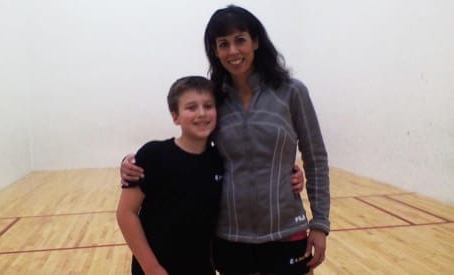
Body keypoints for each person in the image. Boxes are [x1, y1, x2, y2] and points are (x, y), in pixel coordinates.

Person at [121, 4, 330, 275]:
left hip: (287, 231)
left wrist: (320, 223)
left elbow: (316, 158)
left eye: (240, 40)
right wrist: (133, 165)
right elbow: (193, 152)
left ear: (255, 41)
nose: (233, 51)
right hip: (231, 238)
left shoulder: (292, 92)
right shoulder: (216, 99)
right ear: (215, 51)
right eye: (223, 44)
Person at [117, 76, 223, 275]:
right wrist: (152, 268)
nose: (202, 113)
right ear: (175, 117)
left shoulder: (221, 159)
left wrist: (292, 174)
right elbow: (126, 213)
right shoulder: (153, 155)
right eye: (191, 108)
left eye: (208, 106)